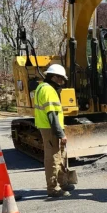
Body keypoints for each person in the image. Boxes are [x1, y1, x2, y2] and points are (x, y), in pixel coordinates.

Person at [34, 64, 75, 197]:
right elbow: (52, 115)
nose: (62, 82)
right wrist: (60, 133)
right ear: (54, 77)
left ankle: (63, 183)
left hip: (49, 127)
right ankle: (53, 188)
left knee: (61, 156)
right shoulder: (48, 90)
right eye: (61, 79)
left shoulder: (42, 87)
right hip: (50, 128)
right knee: (53, 159)